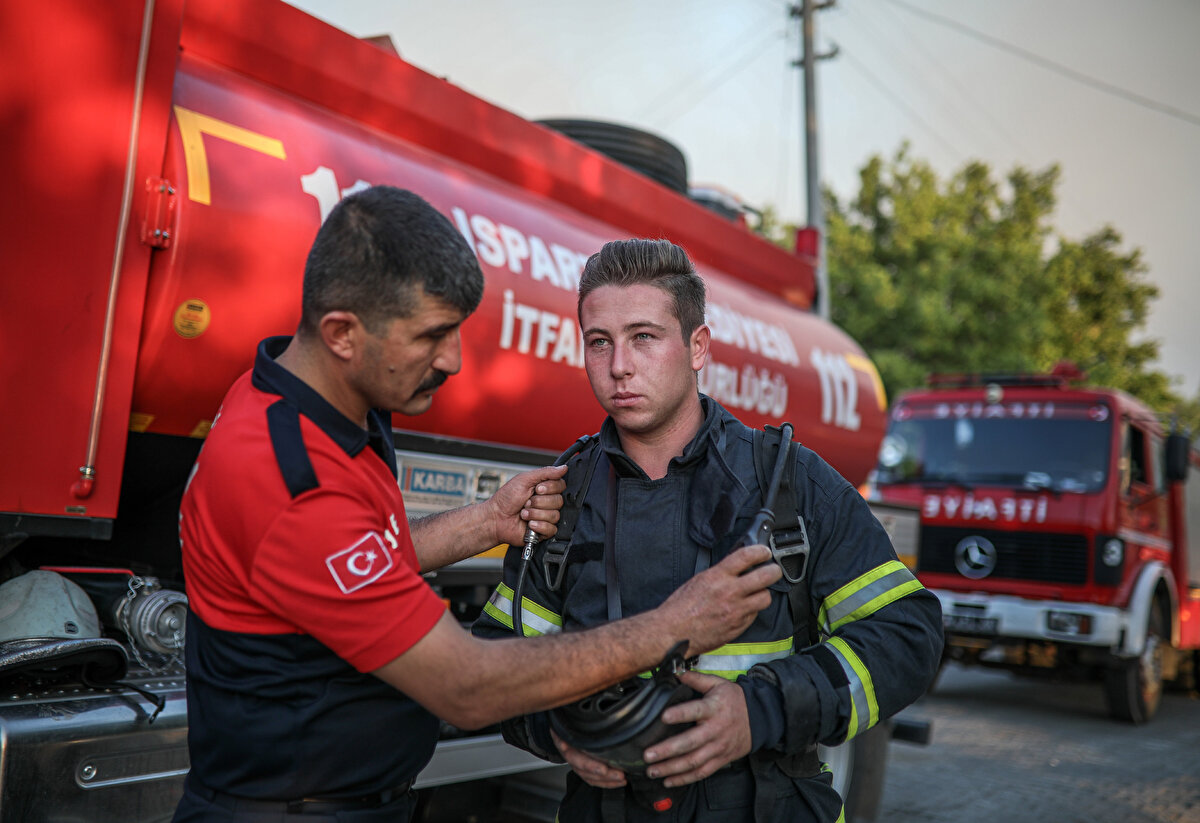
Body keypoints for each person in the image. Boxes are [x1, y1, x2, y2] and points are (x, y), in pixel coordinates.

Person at [172, 188, 782, 823]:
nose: (454, 360)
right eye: (432, 336)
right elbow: (466, 686)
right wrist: (668, 627)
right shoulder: (288, 479)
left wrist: (487, 523)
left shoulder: (302, 401)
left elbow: (345, 563)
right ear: (342, 334)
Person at [472, 238, 944, 822]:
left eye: (644, 337)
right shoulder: (561, 499)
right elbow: (494, 658)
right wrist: (559, 733)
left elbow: (907, 634)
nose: (619, 365)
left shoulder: (788, 483)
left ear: (697, 348)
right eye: (600, 342)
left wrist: (760, 712)